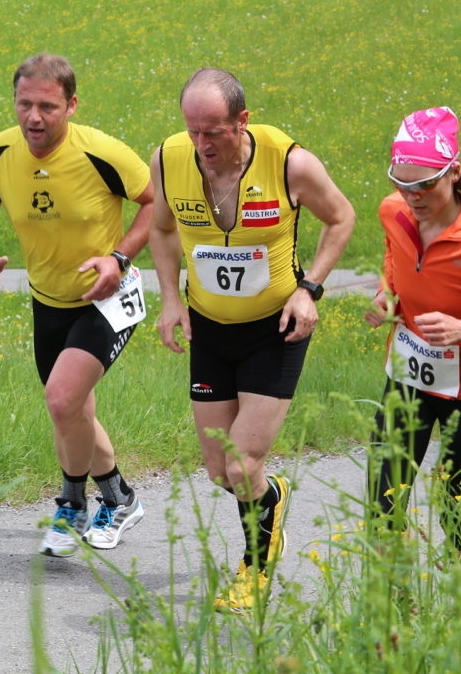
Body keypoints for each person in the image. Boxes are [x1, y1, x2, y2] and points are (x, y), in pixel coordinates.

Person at [148, 67, 355, 612]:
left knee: (242, 465)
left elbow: (341, 218)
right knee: (222, 471)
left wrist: (310, 289)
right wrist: (170, 299)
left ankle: (255, 569)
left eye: (213, 131)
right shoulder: (169, 159)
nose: (202, 144)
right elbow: (162, 229)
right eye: (192, 130)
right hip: (209, 329)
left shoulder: (290, 163)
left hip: (274, 329)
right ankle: (272, 496)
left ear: (242, 121)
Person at [0, 53, 153, 557]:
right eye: (24, 104)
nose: (33, 117)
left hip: (107, 296)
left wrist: (118, 258)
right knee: (72, 411)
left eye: (47, 106)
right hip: (48, 301)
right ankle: (120, 499)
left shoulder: (102, 152)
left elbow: (156, 204)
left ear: (71, 105)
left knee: (63, 400)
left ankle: (72, 505)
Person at [364, 107, 461, 552]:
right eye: (401, 184)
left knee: (454, 505)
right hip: (408, 373)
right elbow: (394, 254)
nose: (412, 196)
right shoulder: (394, 211)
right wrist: (387, 293)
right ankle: (393, 588)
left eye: (424, 184)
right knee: (383, 499)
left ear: (453, 172)